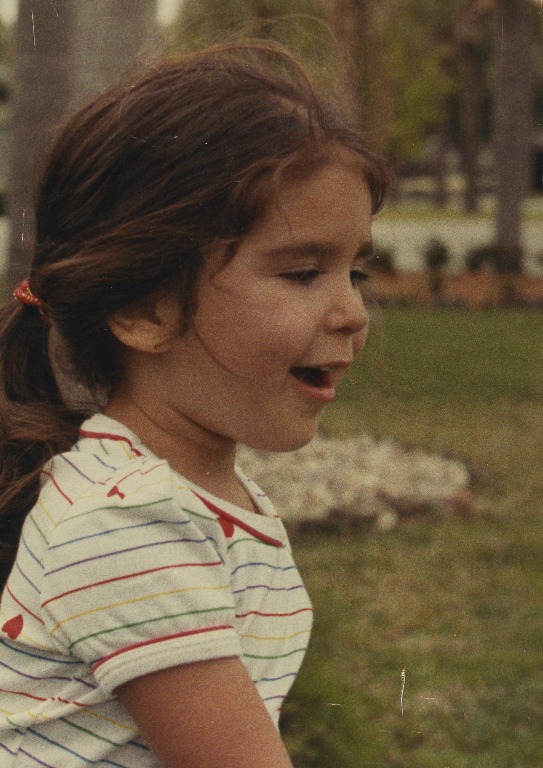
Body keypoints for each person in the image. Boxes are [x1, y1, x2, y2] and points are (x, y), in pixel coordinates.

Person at [0, 43, 388, 768]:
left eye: (356, 269)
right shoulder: (130, 524)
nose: (352, 312)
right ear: (144, 309)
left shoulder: (174, 494)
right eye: (304, 273)